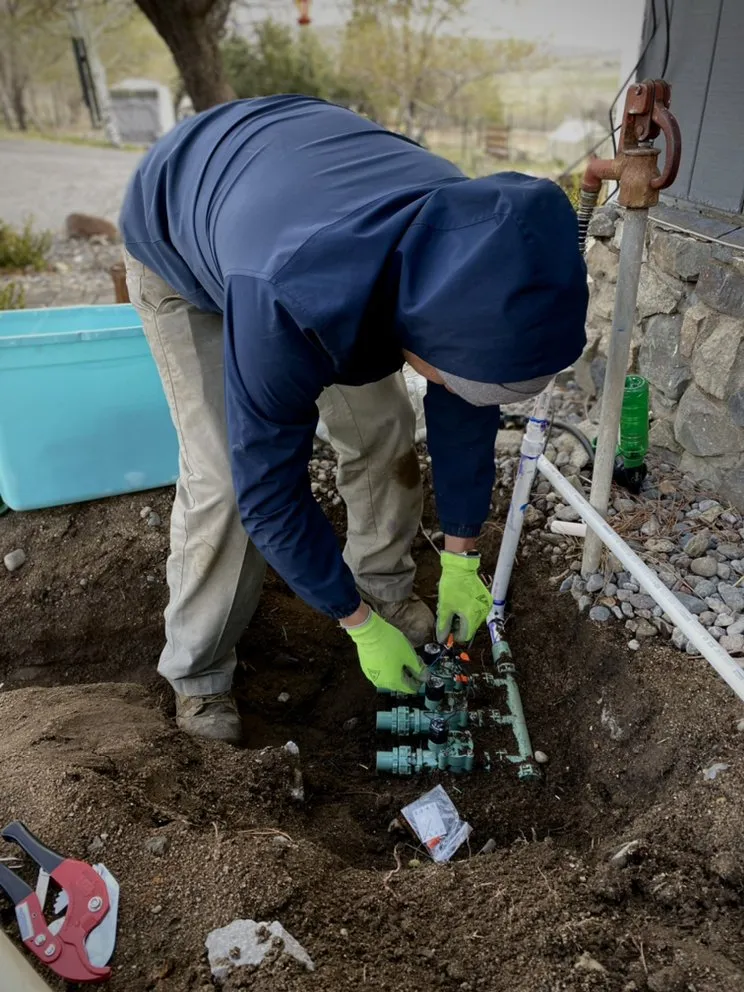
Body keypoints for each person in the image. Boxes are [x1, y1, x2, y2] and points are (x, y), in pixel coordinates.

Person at [120, 95, 587, 745]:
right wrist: (355, 626)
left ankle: (384, 587)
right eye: (452, 374)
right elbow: (269, 491)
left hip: (293, 203)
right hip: (181, 228)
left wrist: (461, 554)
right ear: (428, 334)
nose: (460, 387)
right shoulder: (291, 294)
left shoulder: (479, 249)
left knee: (384, 430)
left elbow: (466, 406)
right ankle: (199, 674)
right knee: (226, 479)